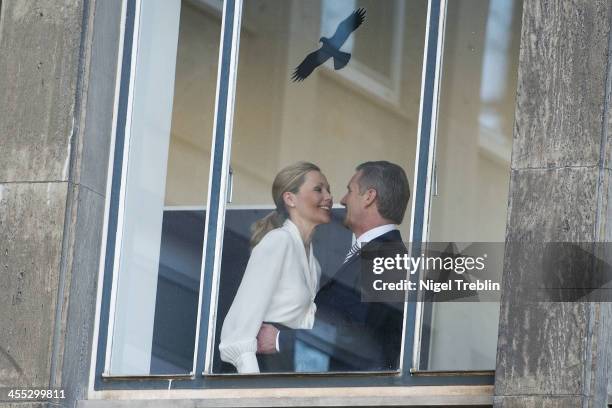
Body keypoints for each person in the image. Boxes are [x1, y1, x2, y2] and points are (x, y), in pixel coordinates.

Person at [257, 161, 410, 371]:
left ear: (369, 197)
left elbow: (354, 335)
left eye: (350, 191)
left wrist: (279, 340)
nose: (343, 200)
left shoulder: (386, 257)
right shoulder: (378, 254)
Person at [219, 161, 333, 373]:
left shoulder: (314, 264)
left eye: (328, 190)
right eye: (318, 189)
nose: (328, 196)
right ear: (290, 199)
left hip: (292, 368)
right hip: (264, 370)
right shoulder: (278, 242)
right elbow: (237, 332)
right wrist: (254, 388)